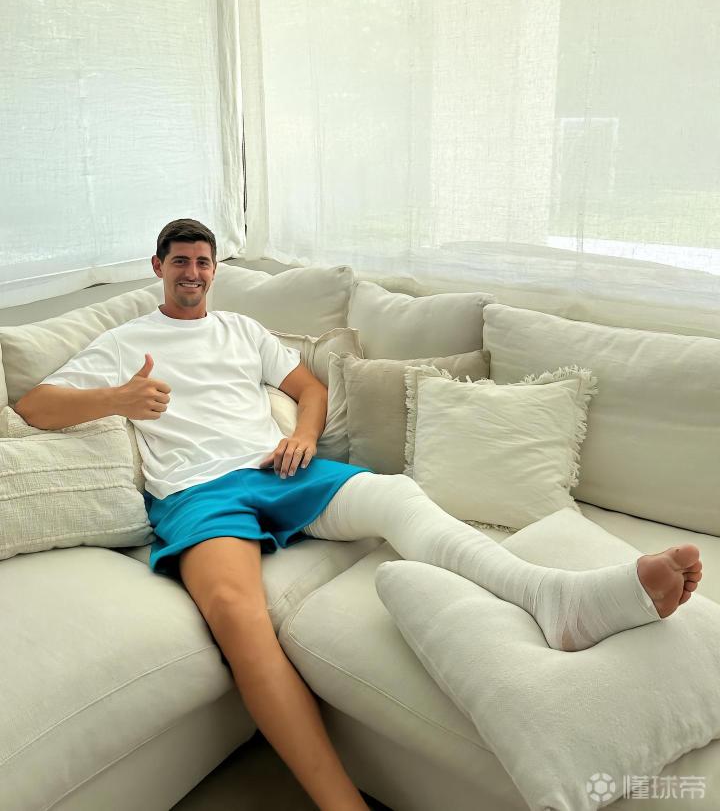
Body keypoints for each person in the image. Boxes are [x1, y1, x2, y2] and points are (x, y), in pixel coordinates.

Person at [15, 218, 703, 811]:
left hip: (279, 470)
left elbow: (309, 387)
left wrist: (304, 434)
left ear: (215, 270)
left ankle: (554, 598)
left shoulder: (241, 330)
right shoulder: (127, 340)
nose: (191, 273)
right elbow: (33, 406)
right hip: (197, 494)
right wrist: (115, 400)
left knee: (398, 497)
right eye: (180, 262)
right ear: (157, 267)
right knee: (237, 618)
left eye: (202, 262)